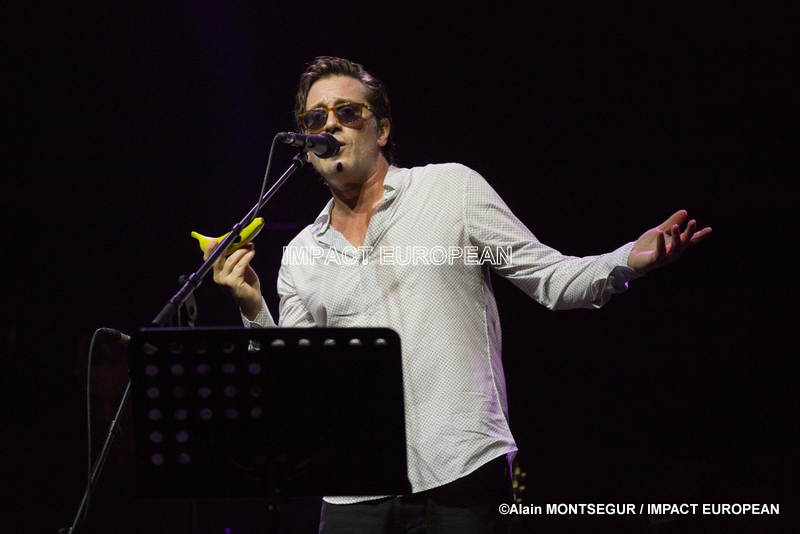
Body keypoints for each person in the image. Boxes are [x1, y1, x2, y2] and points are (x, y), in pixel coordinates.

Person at [205, 56, 711, 533]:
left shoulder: (450, 190)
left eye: (348, 112)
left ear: (382, 129)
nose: (330, 125)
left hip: (461, 466)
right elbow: (294, 382)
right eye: (316, 118)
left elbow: (551, 279)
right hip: (352, 487)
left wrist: (627, 259)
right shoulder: (302, 253)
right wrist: (252, 306)